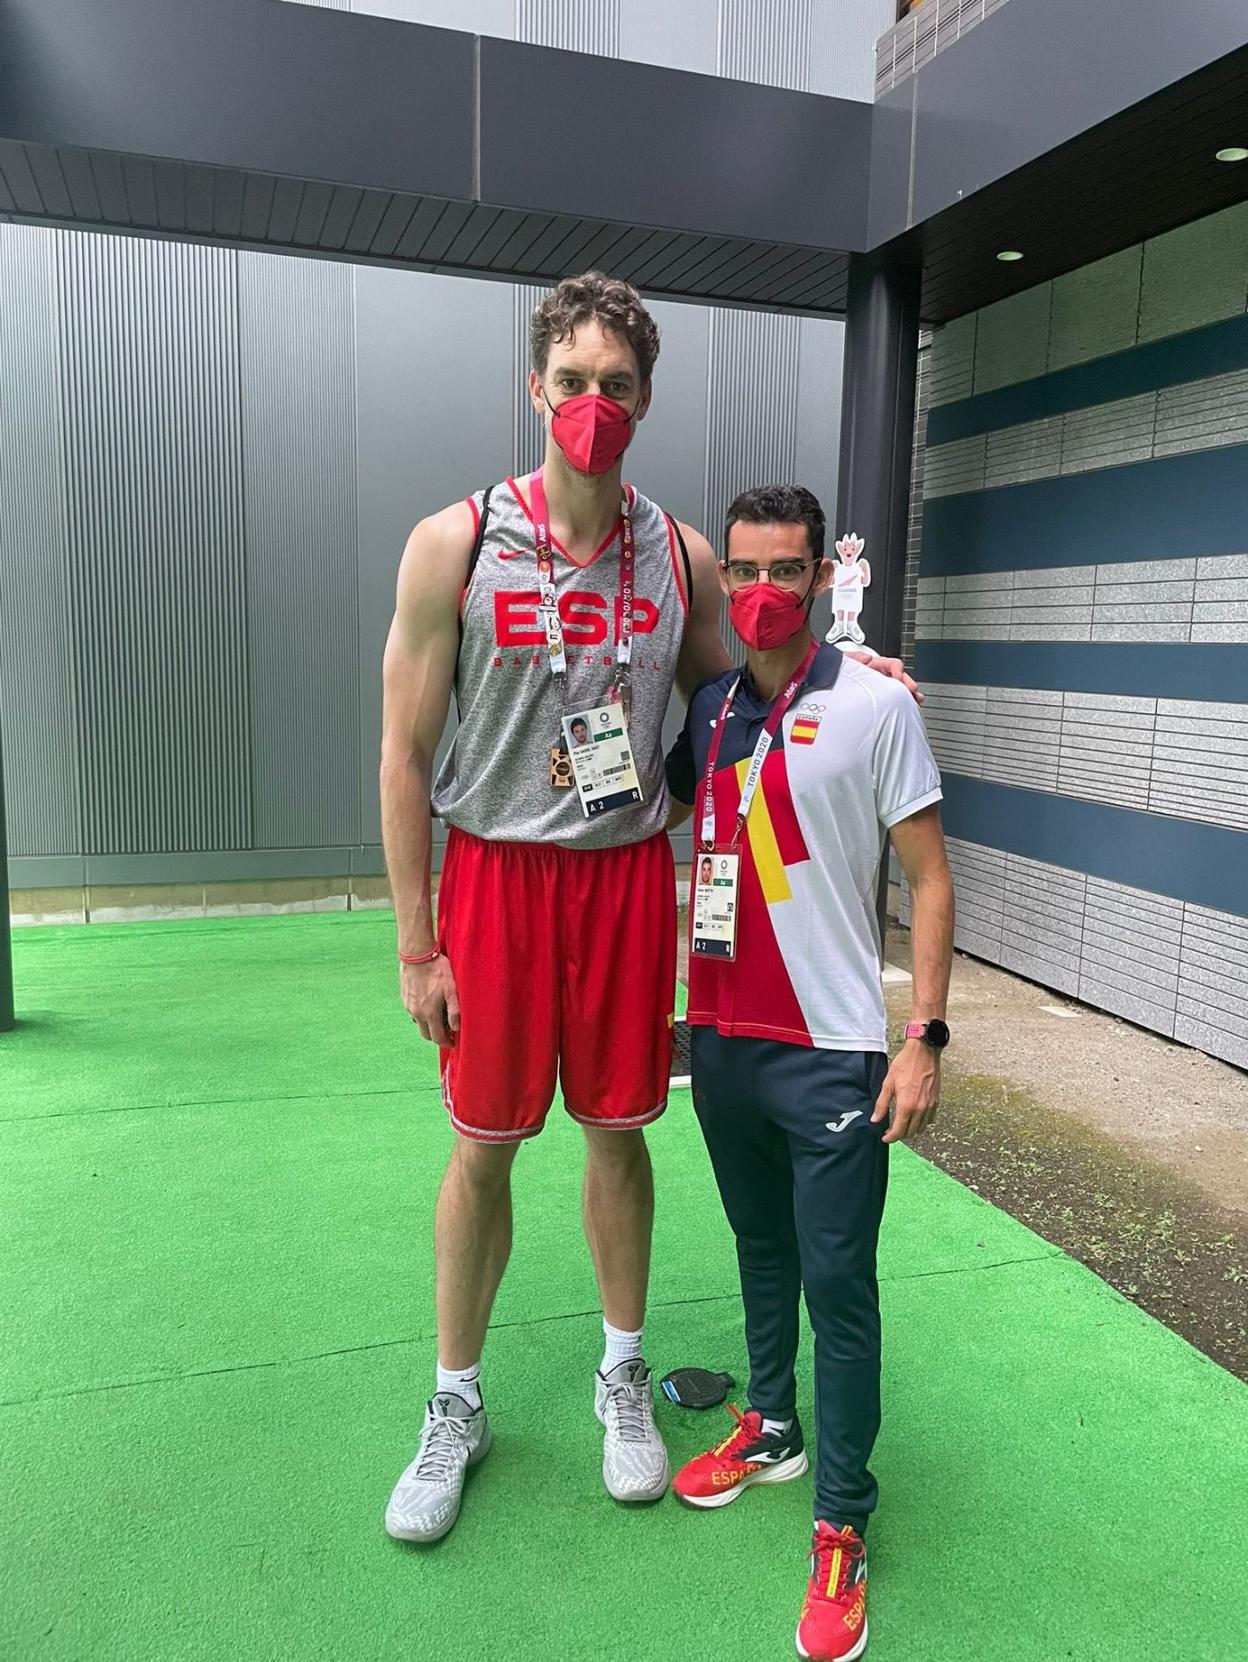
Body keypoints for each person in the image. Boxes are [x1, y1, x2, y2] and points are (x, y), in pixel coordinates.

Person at [378, 275, 919, 1545]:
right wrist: (417, 940)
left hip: (627, 877)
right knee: (485, 1146)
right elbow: (404, 753)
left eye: (617, 385)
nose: (594, 406)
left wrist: (860, 671)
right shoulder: (453, 542)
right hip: (499, 878)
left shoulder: (675, 554)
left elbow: (755, 685)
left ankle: (623, 1375)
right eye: (573, 382)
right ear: (535, 387)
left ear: (647, 399)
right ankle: (456, 1402)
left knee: (619, 1133)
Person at [665, 485, 954, 1662]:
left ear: (822, 580)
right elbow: (648, 823)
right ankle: (771, 1427)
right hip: (722, 1043)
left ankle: (842, 1518)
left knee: (839, 1287)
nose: (764, 591)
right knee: (759, 1248)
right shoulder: (708, 710)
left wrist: (925, 1037)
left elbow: (930, 879)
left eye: (788, 569)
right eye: (744, 570)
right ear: (724, 580)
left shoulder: (880, 706)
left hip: (832, 1047)